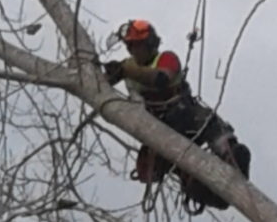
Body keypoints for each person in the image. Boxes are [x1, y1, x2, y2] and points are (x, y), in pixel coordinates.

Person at [104, 19, 250, 212]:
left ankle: (231, 156)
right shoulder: (127, 66)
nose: (133, 51)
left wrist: (127, 71)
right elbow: (102, 83)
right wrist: (105, 71)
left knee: (209, 123)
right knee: (181, 176)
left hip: (183, 115)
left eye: (137, 45)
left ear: (149, 44)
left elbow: (161, 78)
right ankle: (201, 189)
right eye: (130, 46)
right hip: (159, 127)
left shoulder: (167, 58)